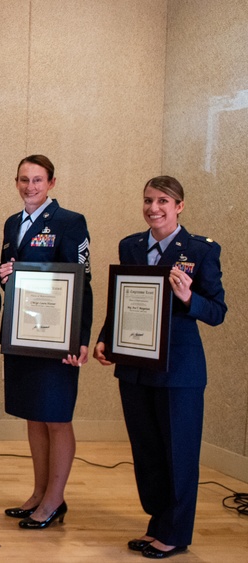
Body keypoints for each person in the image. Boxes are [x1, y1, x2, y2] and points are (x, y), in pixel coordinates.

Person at [93, 176, 225, 559]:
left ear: (179, 206)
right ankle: (157, 525)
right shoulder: (131, 245)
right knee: (147, 451)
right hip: (135, 368)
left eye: (163, 201)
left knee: (178, 453)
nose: (154, 208)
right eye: (149, 200)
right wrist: (106, 338)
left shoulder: (201, 250)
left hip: (179, 371)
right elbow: (120, 299)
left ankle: (175, 533)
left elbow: (217, 311)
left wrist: (188, 298)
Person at [0, 155, 92, 529]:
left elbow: (82, 281)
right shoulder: (12, 223)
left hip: (58, 337)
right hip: (23, 333)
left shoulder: (70, 222)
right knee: (34, 415)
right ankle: (39, 492)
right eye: (24, 179)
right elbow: (9, 274)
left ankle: (55, 499)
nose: (30, 186)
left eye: (38, 180)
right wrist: (4, 275)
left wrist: (80, 339)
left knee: (56, 417)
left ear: (52, 183)